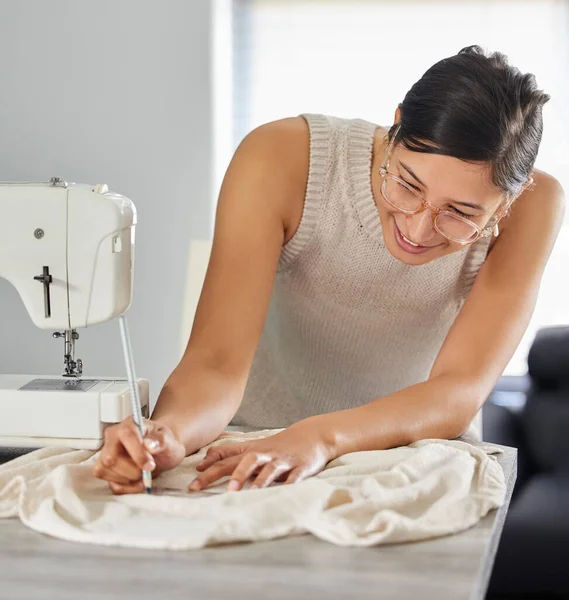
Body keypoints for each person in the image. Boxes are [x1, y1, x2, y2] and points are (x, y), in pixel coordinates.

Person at [93, 45, 565, 495]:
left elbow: (456, 391)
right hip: (251, 439)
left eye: (460, 214)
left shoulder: (537, 205)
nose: (419, 229)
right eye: (406, 183)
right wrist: (169, 435)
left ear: (510, 199)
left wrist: (322, 437)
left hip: (409, 457)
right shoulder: (283, 156)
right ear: (396, 126)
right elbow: (216, 363)